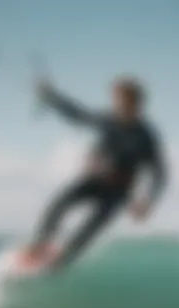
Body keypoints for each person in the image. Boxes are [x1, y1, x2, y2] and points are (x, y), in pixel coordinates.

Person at [25, 75, 168, 271]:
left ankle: (59, 261)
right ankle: (39, 246)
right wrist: (51, 96)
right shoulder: (109, 119)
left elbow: (159, 173)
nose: (118, 106)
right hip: (94, 179)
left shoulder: (146, 136)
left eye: (123, 102)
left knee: (89, 229)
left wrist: (148, 200)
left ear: (137, 104)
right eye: (116, 100)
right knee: (59, 204)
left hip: (118, 191)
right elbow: (77, 114)